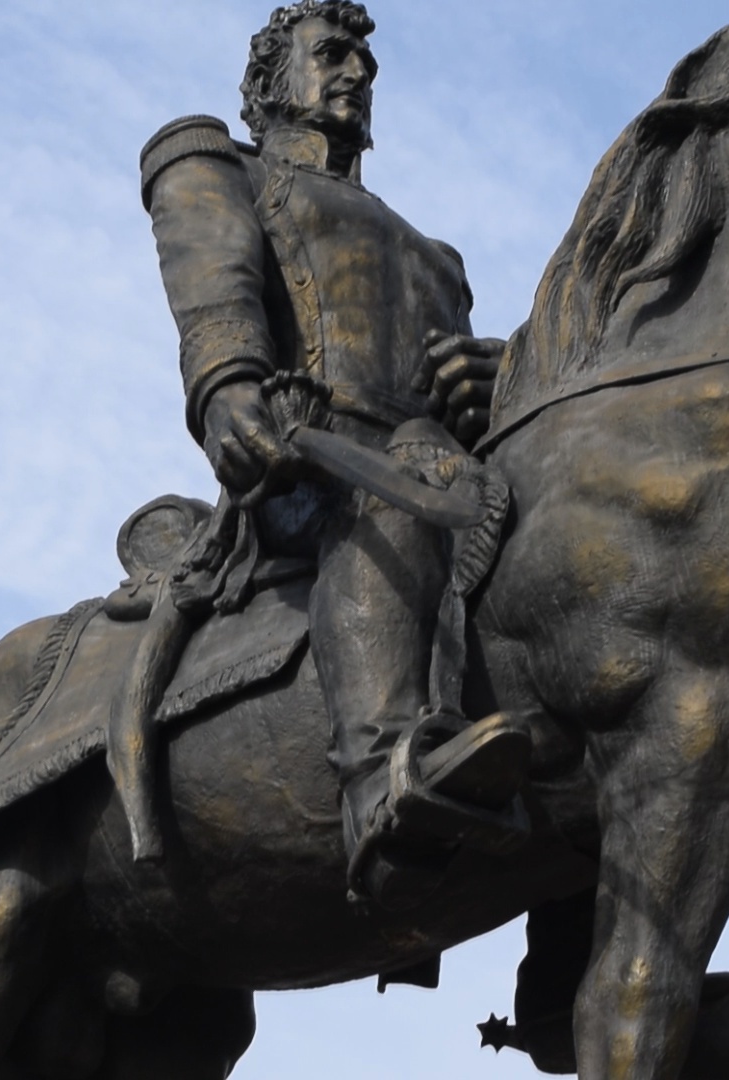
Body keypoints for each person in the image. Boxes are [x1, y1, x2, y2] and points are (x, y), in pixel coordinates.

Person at [140, 1, 528, 908]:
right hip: (304, 467)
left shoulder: (439, 256)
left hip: (439, 469)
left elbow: (465, 417)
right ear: (271, 81)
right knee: (408, 476)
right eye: (334, 54)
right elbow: (213, 278)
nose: (359, 72)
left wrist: (497, 381)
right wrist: (229, 381)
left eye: (367, 62)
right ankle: (383, 783)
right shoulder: (221, 167)